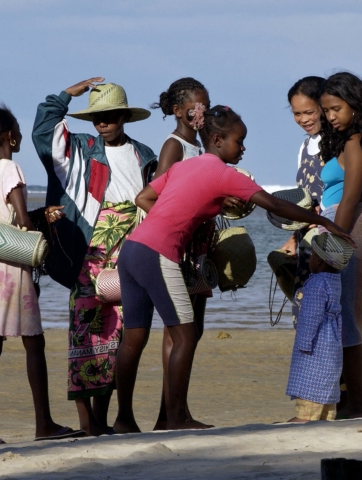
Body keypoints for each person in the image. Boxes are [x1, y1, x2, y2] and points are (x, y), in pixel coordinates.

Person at [113, 105, 354, 433]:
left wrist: (187, 215)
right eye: (238, 141)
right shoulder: (225, 174)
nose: (243, 148)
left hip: (132, 250)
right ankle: (176, 418)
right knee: (185, 336)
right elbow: (275, 204)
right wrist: (324, 221)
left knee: (132, 338)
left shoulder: (185, 166)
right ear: (217, 140)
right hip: (157, 253)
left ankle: (124, 420)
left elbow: (143, 198)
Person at [32, 78, 157, 435]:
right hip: (89, 253)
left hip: (130, 251)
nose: (102, 122)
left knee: (119, 334)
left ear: (125, 117)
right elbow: (43, 132)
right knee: (84, 332)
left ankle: (104, 419)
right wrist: (65, 96)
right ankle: (88, 423)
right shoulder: (80, 150)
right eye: (96, 117)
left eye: (110, 116)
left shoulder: (144, 155)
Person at [0, 105, 82, 445]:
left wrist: (39, 214)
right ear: (10, 136)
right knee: (34, 341)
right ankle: (43, 424)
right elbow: (21, 221)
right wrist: (40, 231)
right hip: (8, 266)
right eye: (17, 129)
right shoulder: (10, 168)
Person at [319, 72, 362, 419]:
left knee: (349, 318)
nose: (330, 116)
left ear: (355, 105)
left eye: (336, 108)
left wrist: (330, 245)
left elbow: (349, 199)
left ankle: (358, 403)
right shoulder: (358, 140)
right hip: (352, 226)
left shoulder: (357, 142)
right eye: (326, 110)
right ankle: (355, 402)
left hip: (350, 226)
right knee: (352, 316)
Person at [149, 77, 211, 431]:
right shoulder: (174, 146)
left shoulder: (199, 146)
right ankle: (169, 414)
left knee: (194, 329)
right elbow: (156, 194)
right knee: (177, 331)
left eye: (206, 106)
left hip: (198, 249)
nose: (202, 113)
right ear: (177, 110)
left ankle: (177, 410)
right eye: (195, 107)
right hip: (180, 248)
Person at [286, 233, 353, 422]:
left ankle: (301, 421)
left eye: (312, 256)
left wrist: (304, 343)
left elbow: (310, 317)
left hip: (317, 346)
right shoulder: (334, 280)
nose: (310, 260)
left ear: (320, 261)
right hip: (331, 344)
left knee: (310, 394)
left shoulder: (317, 283)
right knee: (326, 395)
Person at [278, 76, 327, 327]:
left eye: (309, 112)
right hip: (306, 242)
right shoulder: (304, 147)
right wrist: (293, 238)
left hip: (332, 241)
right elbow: (302, 200)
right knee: (307, 314)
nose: (303, 119)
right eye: (297, 114)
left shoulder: (338, 143)